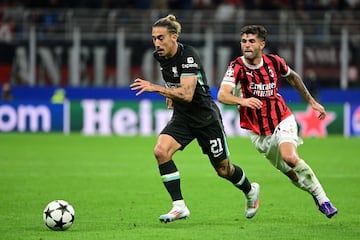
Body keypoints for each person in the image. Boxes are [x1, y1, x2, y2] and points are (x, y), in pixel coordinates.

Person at [130, 14, 260, 223]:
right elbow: (176, 84)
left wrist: (157, 89)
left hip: (205, 118)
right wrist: (171, 96)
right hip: (183, 117)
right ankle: (179, 206)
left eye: (161, 38)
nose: (156, 43)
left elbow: (188, 94)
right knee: (161, 151)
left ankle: (250, 190)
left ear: (174, 37)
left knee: (223, 170)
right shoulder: (161, 56)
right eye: (154, 38)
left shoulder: (188, 56)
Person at [217, 25, 338, 219]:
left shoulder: (274, 62)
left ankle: (323, 198)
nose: (246, 45)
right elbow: (223, 95)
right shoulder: (236, 67)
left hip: (282, 118)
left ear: (262, 44)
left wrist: (312, 101)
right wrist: (243, 101)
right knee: (291, 173)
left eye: (251, 41)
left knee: (290, 156)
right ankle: (313, 193)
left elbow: (293, 77)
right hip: (259, 134)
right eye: (244, 41)